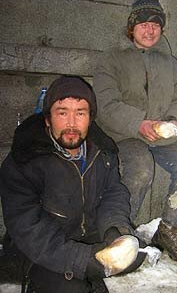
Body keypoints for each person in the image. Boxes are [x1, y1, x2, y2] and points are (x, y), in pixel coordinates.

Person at [0, 76, 145, 293]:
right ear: (47, 118)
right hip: (43, 251)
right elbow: (29, 229)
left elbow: (113, 194)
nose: (71, 123)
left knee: (136, 254)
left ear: (90, 118)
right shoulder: (23, 160)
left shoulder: (103, 152)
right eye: (62, 112)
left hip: (89, 235)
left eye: (80, 113)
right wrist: (83, 260)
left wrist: (115, 230)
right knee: (72, 288)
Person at [93, 0, 177, 262]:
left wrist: (175, 121)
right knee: (141, 166)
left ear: (162, 29)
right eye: (143, 23)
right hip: (125, 135)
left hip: (162, 138)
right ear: (131, 28)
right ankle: (119, 234)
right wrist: (138, 122)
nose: (150, 29)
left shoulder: (171, 63)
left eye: (156, 24)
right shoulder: (112, 59)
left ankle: (170, 228)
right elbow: (105, 104)